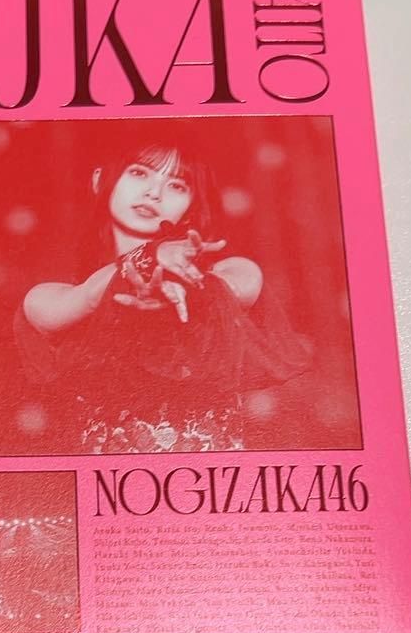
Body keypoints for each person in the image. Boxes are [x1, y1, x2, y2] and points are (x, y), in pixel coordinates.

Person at [15, 142, 310, 453]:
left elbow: (240, 285)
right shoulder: (50, 296)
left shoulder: (230, 271)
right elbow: (85, 298)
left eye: (177, 185)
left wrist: (177, 282)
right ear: (100, 180)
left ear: (192, 205)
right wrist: (150, 255)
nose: (154, 193)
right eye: (139, 173)